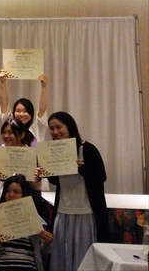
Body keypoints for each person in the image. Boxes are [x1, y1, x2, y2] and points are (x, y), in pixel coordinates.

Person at [43, 112, 107, 270]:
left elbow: (101, 177)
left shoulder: (87, 149)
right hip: (63, 212)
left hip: (85, 212)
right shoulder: (53, 150)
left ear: (69, 127)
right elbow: (56, 181)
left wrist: (81, 168)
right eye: (52, 128)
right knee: (61, 257)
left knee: (83, 257)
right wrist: (45, 171)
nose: (55, 132)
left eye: (59, 127)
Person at [0, 175, 53, 271]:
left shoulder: (33, 219)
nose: (11, 195)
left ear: (24, 195)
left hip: (28, 266)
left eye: (16, 192)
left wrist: (47, 243)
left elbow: (41, 253)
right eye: (8, 191)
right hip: (3, 266)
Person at [0, 70, 48, 144]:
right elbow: (4, 104)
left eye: (25, 111)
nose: (21, 114)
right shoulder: (9, 124)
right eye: (18, 111)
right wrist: (3, 82)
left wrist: (44, 86)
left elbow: (42, 109)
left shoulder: (37, 128)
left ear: (31, 113)